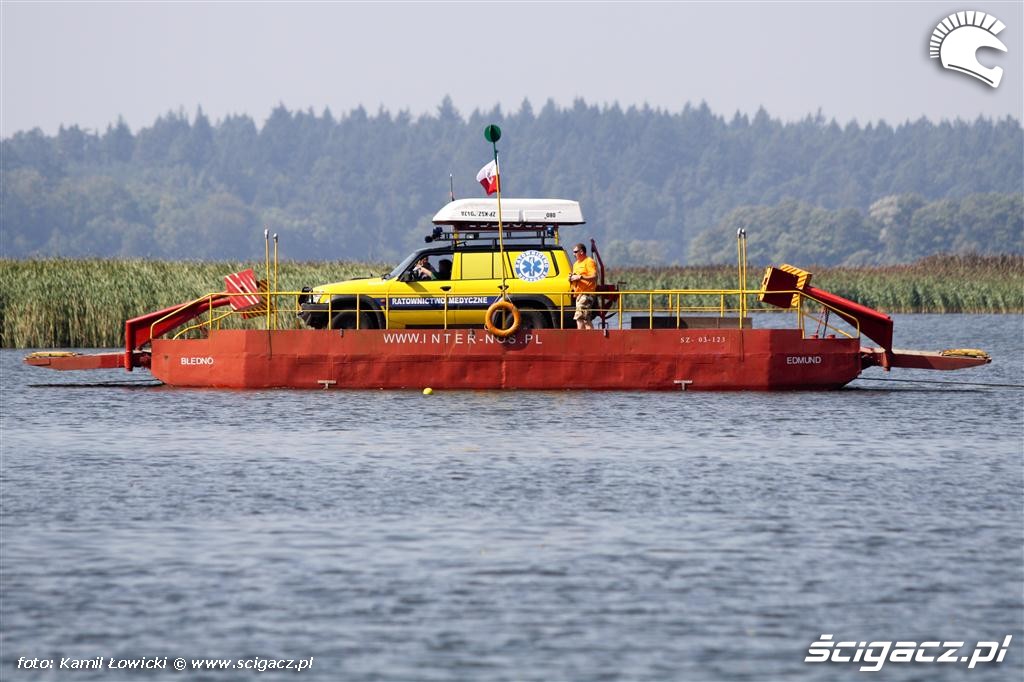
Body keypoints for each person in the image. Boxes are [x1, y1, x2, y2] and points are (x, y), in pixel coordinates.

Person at [568, 243, 598, 330]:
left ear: (581, 252)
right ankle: (590, 337)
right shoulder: (575, 264)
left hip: (586, 294)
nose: (573, 254)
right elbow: (576, 277)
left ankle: (581, 336)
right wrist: (571, 278)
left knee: (580, 318)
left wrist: (581, 277)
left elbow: (594, 277)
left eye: (575, 252)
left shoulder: (589, 261)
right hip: (578, 295)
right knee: (585, 319)